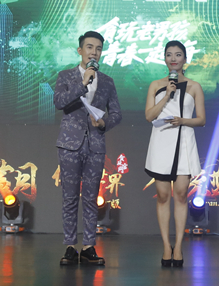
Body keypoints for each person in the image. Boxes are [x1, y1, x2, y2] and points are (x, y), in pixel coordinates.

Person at [53, 31, 122, 267]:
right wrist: (82, 84)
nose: (94, 52)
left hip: (95, 144)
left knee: (92, 198)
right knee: (70, 197)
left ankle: (89, 246)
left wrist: (103, 123)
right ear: (80, 50)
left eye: (98, 48)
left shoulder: (108, 82)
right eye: (90, 47)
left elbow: (117, 113)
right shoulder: (66, 76)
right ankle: (70, 246)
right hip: (70, 144)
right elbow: (59, 102)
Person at [144, 41, 206, 268]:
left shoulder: (194, 86)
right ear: (164, 58)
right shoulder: (156, 85)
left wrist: (183, 121)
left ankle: (178, 246)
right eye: (169, 54)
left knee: (180, 195)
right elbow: (149, 116)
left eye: (178, 55)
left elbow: (201, 119)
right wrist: (166, 95)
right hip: (161, 142)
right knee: (162, 196)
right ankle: (165, 246)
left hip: (184, 142)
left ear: (185, 59)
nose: (173, 59)